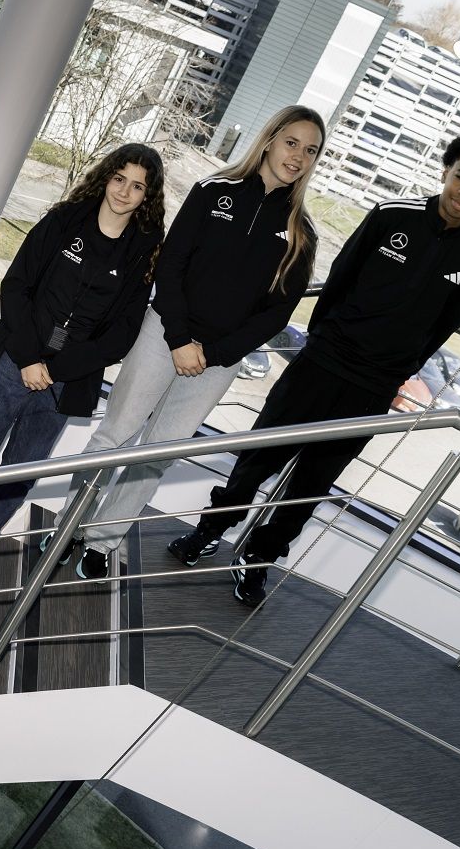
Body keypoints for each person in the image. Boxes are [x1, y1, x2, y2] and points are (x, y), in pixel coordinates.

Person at [169, 129, 460, 606]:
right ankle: (210, 530)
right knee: (258, 458)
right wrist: (324, 340)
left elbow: (442, 328)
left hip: (372, 388)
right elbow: (339, 280)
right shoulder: (391, 215)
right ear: (446, 171)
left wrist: (395, 370)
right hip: (322, 362)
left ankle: (259, 558)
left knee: (312, 484)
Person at [58, 107, 324, 583]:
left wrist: (214, 354)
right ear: (269, 140)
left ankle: (102, 540)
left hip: (216, 362)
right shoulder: (213, 191)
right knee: (114, 436)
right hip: (164, 334)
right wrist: (180, 339)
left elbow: (276, 314)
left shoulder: (301, 233)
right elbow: (171, 264)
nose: (298, 156)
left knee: (157, 453)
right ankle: (67, 526)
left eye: (311, 150)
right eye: (292, 142)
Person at [0, 145, 166, 586]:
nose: (124, 191)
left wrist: (56, 370)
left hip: (66, 380)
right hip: (16, 358)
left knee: (23, 467)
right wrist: (30, 357)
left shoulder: (143, 252)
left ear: (146, 197)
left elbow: (122, 334)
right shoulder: (64, 220)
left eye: (137, 186)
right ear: (106, 177)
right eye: (119, 179)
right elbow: (16, 285)